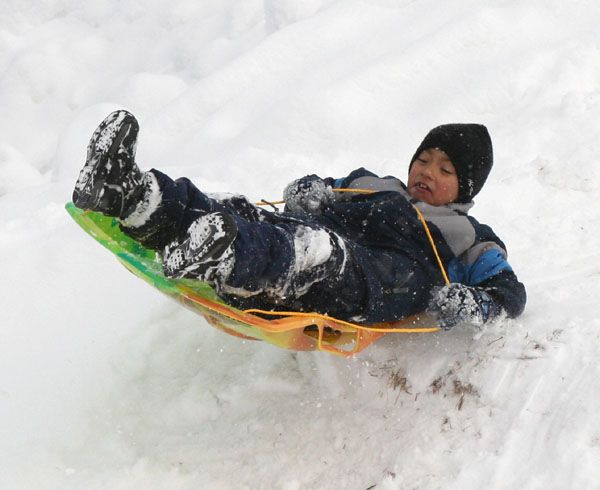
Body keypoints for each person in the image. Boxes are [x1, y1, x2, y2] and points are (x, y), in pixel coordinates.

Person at [72, 110, 526, 329]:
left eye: (445, 170)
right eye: (423, 159)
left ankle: (222, 255)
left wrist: (477, 303)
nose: (427, 172)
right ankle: (132, 195)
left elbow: (508, 292)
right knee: (242, 212)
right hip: (316, 234)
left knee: (318, 256)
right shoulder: (372, 182)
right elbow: (321, 183)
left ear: (466, 189)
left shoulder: (470, 236)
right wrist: (308, 190)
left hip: (382, 278)